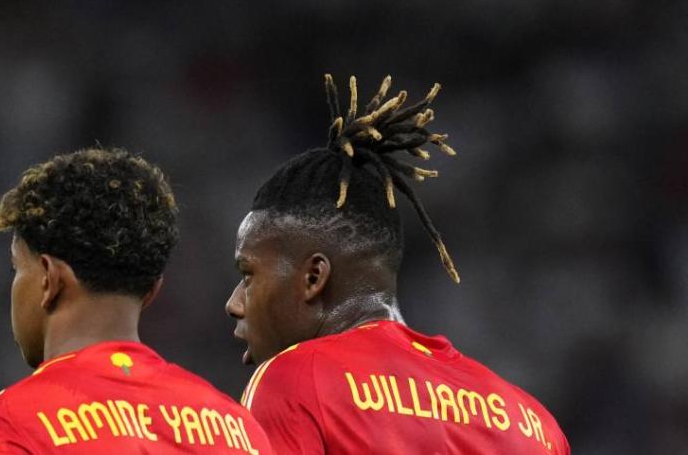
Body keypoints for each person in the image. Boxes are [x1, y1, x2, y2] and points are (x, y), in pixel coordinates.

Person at [225, 74, 569, 454]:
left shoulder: (294, 384)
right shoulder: (535, 424)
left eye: (248, 275)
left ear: (313, 277)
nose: (234, 303)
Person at [0, 147, 272, 454]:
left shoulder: (5, 427)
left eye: (17, 268)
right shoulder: (239, 429)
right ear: (151, 291)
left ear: (49, 278)